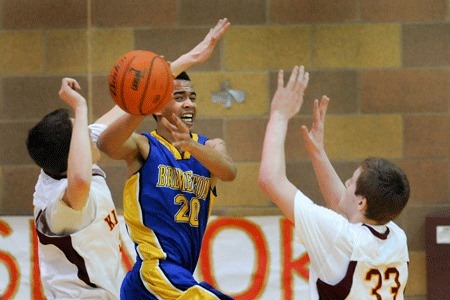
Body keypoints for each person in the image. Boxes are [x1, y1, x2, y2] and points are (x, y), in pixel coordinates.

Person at [97, 20, 236, 299]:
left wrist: (190, 145)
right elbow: (106, 144)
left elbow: (229, 171)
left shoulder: (209, 146)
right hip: (154, 274)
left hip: (177, 278)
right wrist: (145, 98)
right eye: (180, 97)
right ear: (159, 104)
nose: (189, 103)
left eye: (192, 97)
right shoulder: (145, 146)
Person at [258, 66, 410, 299]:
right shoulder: (396, 237)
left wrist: (279, 115)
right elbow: (342, 205)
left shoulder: (340, 237)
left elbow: (270, 179)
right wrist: (318, 153)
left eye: (350, 181)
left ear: (362, 202)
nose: (345, 183)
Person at [26, 78, 125, 299]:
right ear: (73, 155)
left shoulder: (60, 163)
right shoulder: (57, 205)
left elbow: (126, 109)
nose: (88, 132)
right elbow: (79, 181)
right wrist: (80, 107)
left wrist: (172, 69)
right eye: (82, 130)